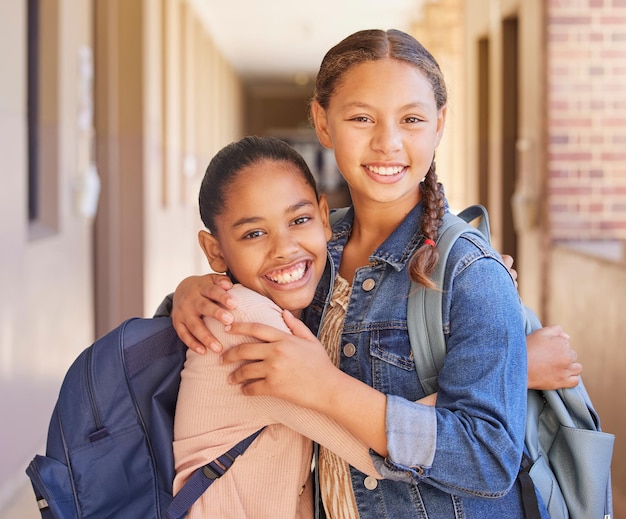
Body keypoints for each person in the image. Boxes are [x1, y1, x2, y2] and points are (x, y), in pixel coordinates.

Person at [164, 30, 582, 518]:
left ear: (440, 124)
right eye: (361, 118)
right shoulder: (312, 249)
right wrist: (189, 293)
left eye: (412, 119)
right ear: (323, 122)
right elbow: (222, 343)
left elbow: (487, 460)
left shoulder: (469, 273)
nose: (388, 142)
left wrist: (326, 386)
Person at [172, 135, 396, 518]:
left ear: (325, 218)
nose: (284, 247)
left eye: (299, 220)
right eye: (254, 233)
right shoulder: (245, 321)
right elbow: (383, 450)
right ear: (215, 251)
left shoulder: (276, 308)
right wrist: (508, 364)